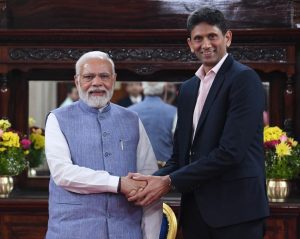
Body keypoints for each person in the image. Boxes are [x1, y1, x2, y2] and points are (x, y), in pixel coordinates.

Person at [128, 7, 269, 239]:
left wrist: (168, 181)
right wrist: (151, 180)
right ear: (189, 43)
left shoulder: (244, 79)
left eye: (212, 36)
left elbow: (230, 152)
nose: (206, 44)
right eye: (198, 38)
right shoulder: (188, 88)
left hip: (237, 213)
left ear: (228, 37)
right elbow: (181, 156)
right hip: (196, 215)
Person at [45, 51, 162, 239]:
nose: (97, 83)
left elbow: (150, 185)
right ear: (77, 81)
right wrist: (117, 183)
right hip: (72, 231)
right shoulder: (57, 119)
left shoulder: (132, 119)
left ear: (114, 80)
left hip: (126, 232)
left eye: (104, 76)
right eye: (89, 77)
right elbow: (62, 173)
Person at [129, 82, 177, 167]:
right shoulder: (174, 112)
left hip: (137, 169)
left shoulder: (129, 111)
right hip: (165, 170)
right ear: (164, 89)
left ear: (143, 88)